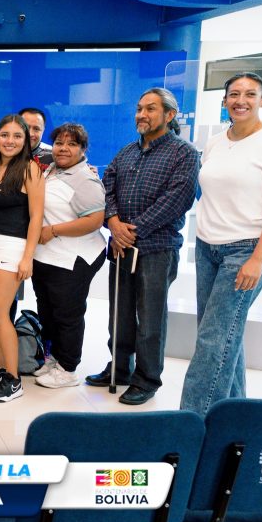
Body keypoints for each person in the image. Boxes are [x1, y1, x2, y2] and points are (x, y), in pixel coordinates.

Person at [180, 73, 262, 415]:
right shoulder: (216, 143)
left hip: (245, 251)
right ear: (224, 100)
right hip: (207, 248)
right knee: (223, 336)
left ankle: (193, 422)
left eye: (249, 94)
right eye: (233, 94)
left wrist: (258, 259)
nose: (240, 100)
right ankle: (237, 417)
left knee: (213, 341)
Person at [86, 88, 199, 405]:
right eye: (139, 109)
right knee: (119, 315)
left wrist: (130, 231)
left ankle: (147, 379)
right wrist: (113, 222)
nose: (141, 115)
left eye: (150, 109)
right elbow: (107, 189)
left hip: (156, 249)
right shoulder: (126, 153)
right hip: (121, 247)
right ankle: (119, 369)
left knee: (150, 320)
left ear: (170, 115)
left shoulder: (184, 154)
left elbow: (177, 200)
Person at [0, 114, 44, 402]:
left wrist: (28, 258)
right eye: (5, 135)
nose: (10, 141)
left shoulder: (30, 169)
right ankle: (0, 370)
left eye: (17, 136)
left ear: (25, 140)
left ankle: (14, 381)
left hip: (11, 248)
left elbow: (36, 217)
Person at [29, 123, 106, 388]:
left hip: (74, 258)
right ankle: (55, 359)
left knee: (67, 315)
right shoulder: (50, 168)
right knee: (47, 312)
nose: (64, 149)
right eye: (59, 143)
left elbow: (95, 220)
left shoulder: (85, 179)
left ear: (83, 149)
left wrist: (53, 230)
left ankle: (68, 368)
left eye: (72, 144)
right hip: (47, 256)